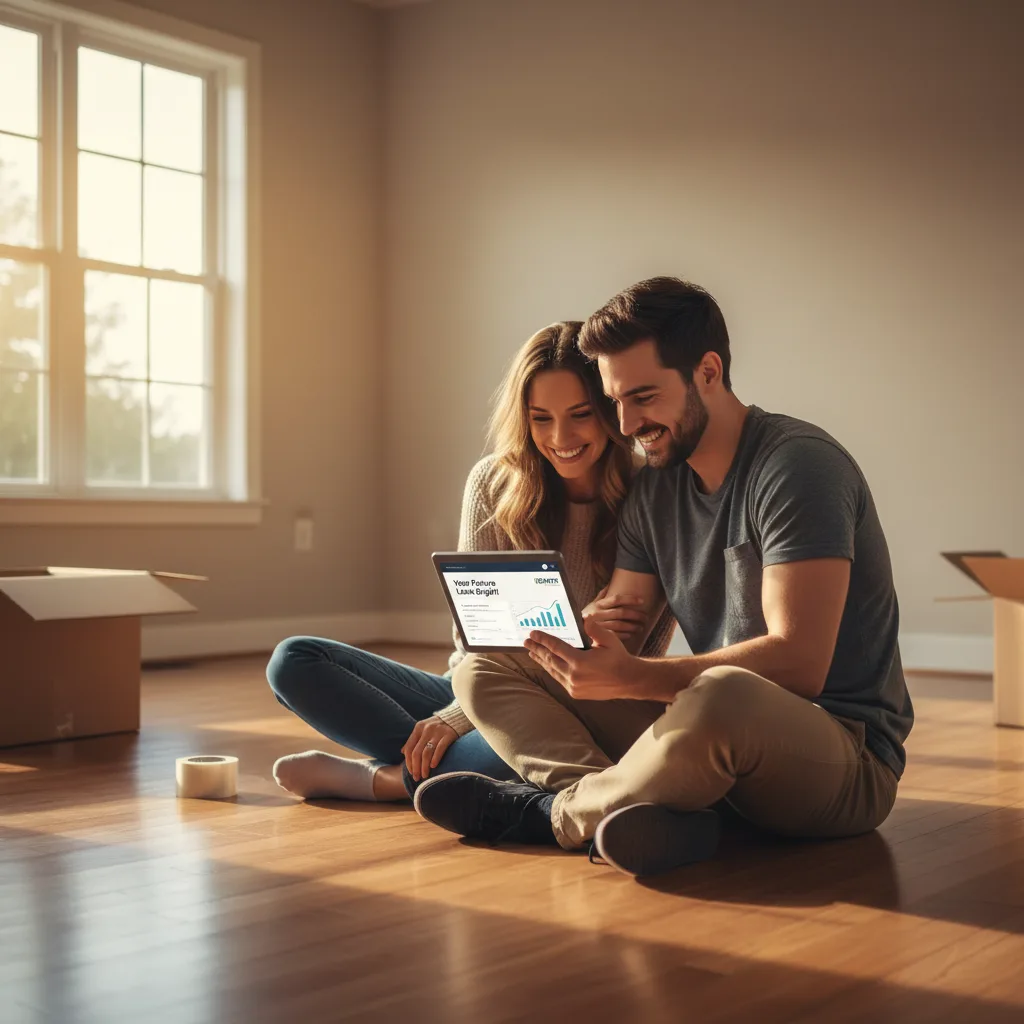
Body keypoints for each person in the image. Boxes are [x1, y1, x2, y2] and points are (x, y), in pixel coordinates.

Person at [413, 277, 914, 878]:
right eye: (615, 401)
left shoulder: (796, 465)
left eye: (644, 397)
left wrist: (637, 675)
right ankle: (624, 808)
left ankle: (551, 816)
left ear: (708, 370)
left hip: (842, 758)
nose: (626, 424)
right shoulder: (655, 485)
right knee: (491, 660)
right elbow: (622, 617)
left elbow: (800, 664)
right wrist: (583, 643)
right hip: (709, 735)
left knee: (722, 692)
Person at [266, 321, 676, 803]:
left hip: (591, 705)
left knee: (505, 747)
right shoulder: (494, 484)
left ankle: (385, 781)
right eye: (540, 418)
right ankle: (434, 772)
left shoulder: (653, 493)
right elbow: (477, 640)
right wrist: (457, 714)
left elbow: (620, 650)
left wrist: (456, 721)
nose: (560, 436)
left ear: (609, 411)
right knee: (294, 661)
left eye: (580, 414)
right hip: (482, 687)